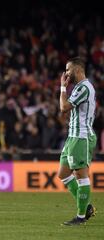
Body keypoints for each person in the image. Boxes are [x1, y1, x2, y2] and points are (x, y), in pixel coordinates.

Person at [58, 57, 97, 226]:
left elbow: (64, 108)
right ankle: (86, 207)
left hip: (81, 137)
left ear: (78, 70)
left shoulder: (84, 88)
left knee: (81, 176)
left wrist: (62, 88)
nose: (66, 73)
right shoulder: (78, 88)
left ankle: (81, 217)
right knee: (64, 174)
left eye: (68, 69)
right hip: (73, 137)